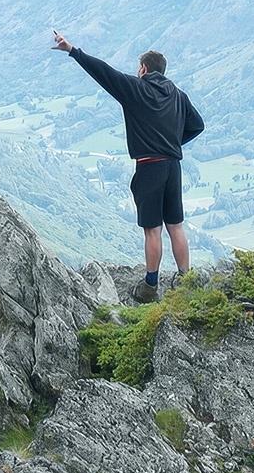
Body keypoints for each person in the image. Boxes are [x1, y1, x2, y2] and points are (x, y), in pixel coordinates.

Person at [52, 30, 204, 301]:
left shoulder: (136, 89)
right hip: (173, 165)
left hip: (149, 167)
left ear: (143, 68)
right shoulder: (178, 94)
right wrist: (172, 142)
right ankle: (186, 279)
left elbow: (104, 73)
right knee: (176, 225)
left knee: (152, 229)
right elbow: (197, 125)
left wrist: (72, 50)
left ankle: (150, 285)